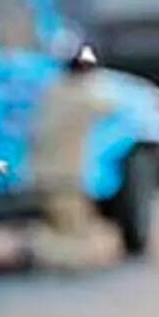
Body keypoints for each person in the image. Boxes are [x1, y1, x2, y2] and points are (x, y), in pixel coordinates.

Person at [31, 45, 111, 271]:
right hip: (66, 175)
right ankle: (66, 262)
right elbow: (108, 106)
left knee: (55, 221)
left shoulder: (52, 92)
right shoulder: (82, 96)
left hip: (42, 172)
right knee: (73, 224)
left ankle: (54, 259)